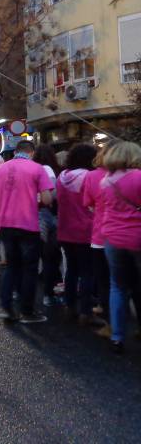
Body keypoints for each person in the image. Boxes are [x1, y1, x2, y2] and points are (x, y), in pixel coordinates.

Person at [0, 140, 54, 323]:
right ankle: (27, 311)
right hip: (27, 224)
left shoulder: (1, 170)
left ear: (15, 151)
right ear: (31, 152)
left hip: (5, 224)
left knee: (11, 266)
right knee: (29, 268)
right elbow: (47, 198)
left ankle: (6, 307)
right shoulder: (37, 169)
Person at [99, 141, 141, 353]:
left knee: (118, 286)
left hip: (113, 238)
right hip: (137, 237)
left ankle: (117, 335)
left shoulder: (106, 181)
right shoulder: (138, 177)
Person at [57, 143, 100, 325]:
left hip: (65, 229)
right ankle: (85, 311)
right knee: (87, 272)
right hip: (86, 229)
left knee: (72, 270)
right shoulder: (90, 177)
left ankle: (69, 305)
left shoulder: (62, 177)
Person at [82, 144, 112, 336]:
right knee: (133, 282)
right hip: (133, 236)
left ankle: (111, 326)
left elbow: (88, 205)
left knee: (106, 282)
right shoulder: (136, 174)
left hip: (101, 235)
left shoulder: (92, 176)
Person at [34, 144, 62, 307]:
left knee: (33, 255)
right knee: (50, 256)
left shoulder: (33, 169)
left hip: (31, 215)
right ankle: (49, 293)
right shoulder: (50, 170)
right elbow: (52, 193)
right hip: (48, 214)